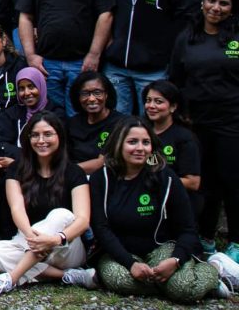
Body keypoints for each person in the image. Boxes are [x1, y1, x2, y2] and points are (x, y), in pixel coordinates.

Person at [88, 118, 231, 304]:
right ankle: (171, 285)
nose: (140, 148)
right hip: (120, 253)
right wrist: (131, 264)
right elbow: (101, 229)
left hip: (160, 248)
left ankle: (213, 269)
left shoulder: (166, 177)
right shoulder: (102, 178)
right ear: (118, 144)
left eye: (146, 142)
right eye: (132, 142)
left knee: (182, 289)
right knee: (118, 279)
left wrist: (176, 261)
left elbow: (188, 229)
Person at [0, 112, 95, 294]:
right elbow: (17, 209)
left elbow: (83, 219)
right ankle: (67, 276)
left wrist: (53, 239)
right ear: (28, 139)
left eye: (47, 134)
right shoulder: (16, 169)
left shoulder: (74, 172)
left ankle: (10, 280)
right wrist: (35, 240)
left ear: (59, 136)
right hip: (29, 241)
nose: (41, 140)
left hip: (66, 246)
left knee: (61, 214)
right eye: (35, 135)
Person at [168, 0, 239, 262]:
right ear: (202, 3)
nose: (216, 8)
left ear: (232, 9)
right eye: (212, 1)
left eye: (224, 3)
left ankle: (235, 241)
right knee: (205, 182)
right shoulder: (187, 37)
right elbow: (175, 78)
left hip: (232, 122)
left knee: (232, 181)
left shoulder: (236, 38)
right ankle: (205, 236)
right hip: (196, 123)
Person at [0, 67, 62, 169]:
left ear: (41, 86)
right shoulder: (13, 113)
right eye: (21, 88)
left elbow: (53, 153)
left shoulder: (56, 114)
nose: (27, 93)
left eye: (31, 86)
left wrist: (18, 162)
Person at [142, 80, 201, 216]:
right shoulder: (140, 131)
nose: (151, 106)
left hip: (175, 201)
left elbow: (193, 182)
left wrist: (151, 179)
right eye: (148, 100)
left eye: (158, 101)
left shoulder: (185, 138)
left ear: (173, 107)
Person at [66, 71, 123, 175]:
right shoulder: (72, 123)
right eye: (85, 94)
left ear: (106, 94)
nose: (91, 99)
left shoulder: (120, 123)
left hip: (103, 178)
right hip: (72, 179)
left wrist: (64, 171)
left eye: (97, 93)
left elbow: (101, 162)